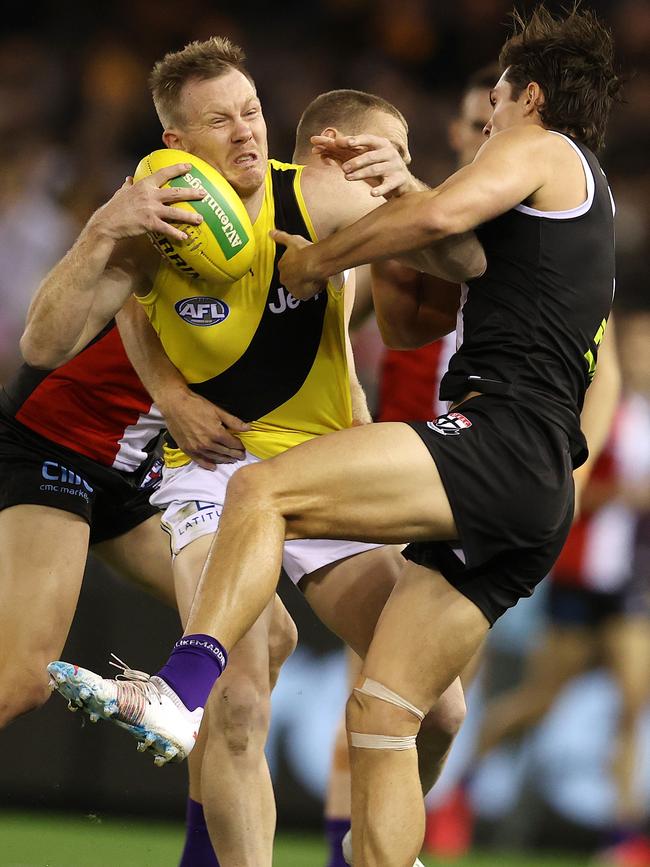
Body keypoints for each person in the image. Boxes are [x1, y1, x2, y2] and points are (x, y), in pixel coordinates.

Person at [51, 6, 621, 863]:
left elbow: (449, 242)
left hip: (495, 436)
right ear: (177, 138)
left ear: (528, 95)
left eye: (493, 105)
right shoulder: (163, 207)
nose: (484, 126)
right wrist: (162, 372)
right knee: (395, 715)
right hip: (528, 485)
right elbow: (417, 309)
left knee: (264, 490)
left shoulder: (537, 147)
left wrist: (322, 255)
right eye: (224, 115)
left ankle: (176, 690)